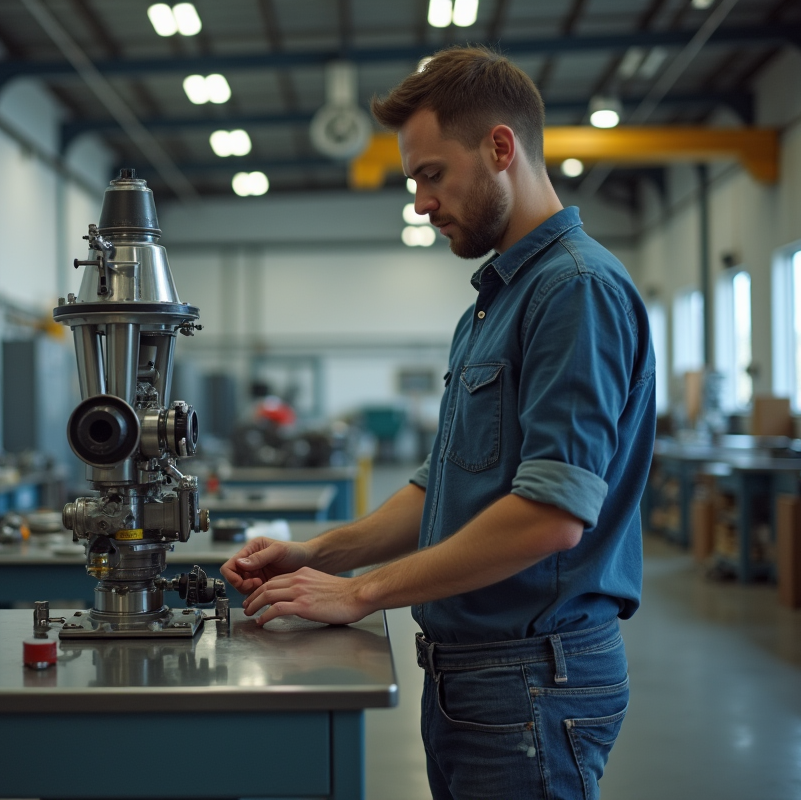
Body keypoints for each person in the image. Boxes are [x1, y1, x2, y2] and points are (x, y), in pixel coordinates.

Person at [220, 46, 656, 800]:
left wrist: (361, 594)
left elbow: (552, 516)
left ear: (499, 147)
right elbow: (441, 486)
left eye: (430, 174)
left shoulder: (574, 292)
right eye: (414, 180)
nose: (420, 204)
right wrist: (318, 552)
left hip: (531, 684)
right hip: (476, 679)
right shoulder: (491, 305)